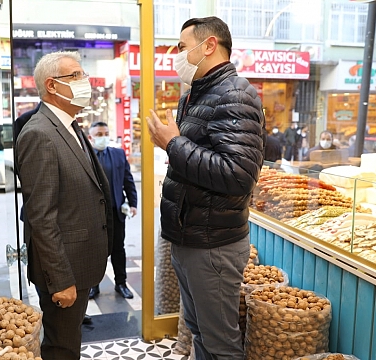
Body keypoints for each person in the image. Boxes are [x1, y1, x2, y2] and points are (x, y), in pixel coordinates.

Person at [146, 16, 265, 360]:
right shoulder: (195, 96)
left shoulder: (235, 94)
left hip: (213, 244)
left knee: (220, 343)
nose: (177, 55)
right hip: (190, 236)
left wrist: (173, 145)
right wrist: (175, 146)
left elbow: (238, 174)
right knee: (200, 332)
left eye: (182, 48)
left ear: (209, 46)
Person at [16, 51, 113, 360]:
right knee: (61, 348)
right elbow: (41, 216)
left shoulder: (70, 125)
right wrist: (60, 280)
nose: (84, 81)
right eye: (76, 76)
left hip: (81, 261)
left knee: (70, 342)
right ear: (52, 86)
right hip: (63, 269)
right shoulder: (39, 134)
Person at [87, 122, 138, 300]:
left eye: (106, 133)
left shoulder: (117, 154)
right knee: (94, 251)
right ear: (90, 137)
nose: (103, 137)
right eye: (99, 134)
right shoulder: (85, 155)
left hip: (115, 211)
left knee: (118, 249)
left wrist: (133, 203)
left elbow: (128, 180)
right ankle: (93, 286)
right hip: (93, 214)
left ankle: (121, 283)